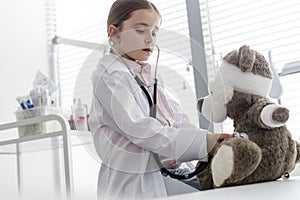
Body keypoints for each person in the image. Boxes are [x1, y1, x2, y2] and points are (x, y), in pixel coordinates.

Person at [88, 0, 232, 199]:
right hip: (138, 184)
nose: (150, 39)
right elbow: (141, 128)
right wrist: (204, 143)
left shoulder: (150, 77)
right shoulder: (109, 77)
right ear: (114, 33)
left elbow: (178, 121)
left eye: (154, 32)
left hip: (172, 173)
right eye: (140, 30)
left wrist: (211, 141)